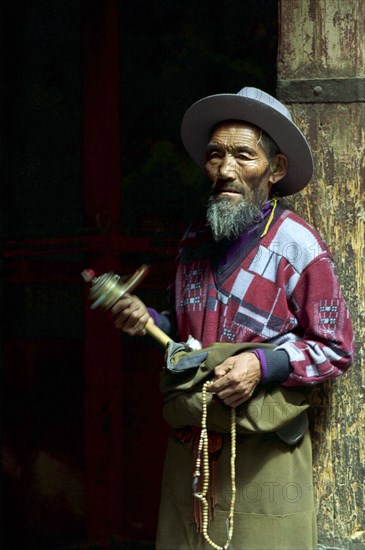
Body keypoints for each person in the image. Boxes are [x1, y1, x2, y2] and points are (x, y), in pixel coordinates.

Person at [112, 87, 354, 549]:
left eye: (244, 155)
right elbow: (186, 337)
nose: (225, 170)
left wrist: (260, 365)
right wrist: (149, 321)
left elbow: (336, 348)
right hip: (194, 445)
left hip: (261, 450)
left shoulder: (298, 245)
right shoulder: (194, 242)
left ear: (275, 169)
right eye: (215, 155)